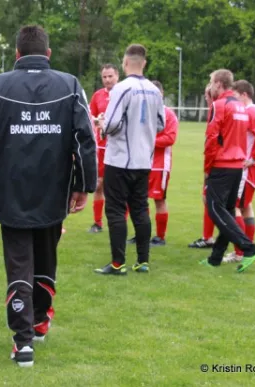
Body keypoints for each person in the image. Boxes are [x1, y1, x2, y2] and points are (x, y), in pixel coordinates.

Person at [0, 25, 97, 368]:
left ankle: (23, 342)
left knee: (20, 265)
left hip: (13, 192)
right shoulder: (70, 85)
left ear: (17, 54)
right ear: (48, 54)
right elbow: (86, 139)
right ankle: (35, 326)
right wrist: (84, 184)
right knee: (46, 260)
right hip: (54, 192)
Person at [94, 44, 164, 276]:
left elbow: (112, 124)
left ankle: (117, 263)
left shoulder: (121, 88)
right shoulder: (155, 91)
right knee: (140, 209)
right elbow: (161, 124)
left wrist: (102, 124)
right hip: (144, 160)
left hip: (120, 160)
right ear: (144, 63)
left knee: (115, 210)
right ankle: (142, 261)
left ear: (125, 63)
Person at [199, 69, 255, 271]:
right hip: (237, 166)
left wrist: (207, 169)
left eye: (211, 82)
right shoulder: (241, 107)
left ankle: (249, 248)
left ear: (218, 84)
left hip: (222, 165)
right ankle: (215, 258)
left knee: (215, 209)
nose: (210, 86)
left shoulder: (219, 106)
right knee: (226, 211)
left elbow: (212, 140)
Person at [223, 80, 255, 263]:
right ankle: (246, 249)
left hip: (247, 169)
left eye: (235, 97)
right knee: (245, 206)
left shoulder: (250, 112)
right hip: (249, 169)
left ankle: (241, 252)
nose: (234, 101)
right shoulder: (249, 112)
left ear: (244, 95)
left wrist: (252, 158)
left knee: (233, 207)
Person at [127, 80, 178, 246]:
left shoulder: (168, 114)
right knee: (139, 201)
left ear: (161, 94)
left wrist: (148, 140)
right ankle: (142, 234)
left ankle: (160, 237)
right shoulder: (142, 112)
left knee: (159, 200)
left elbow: (170, 138)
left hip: (159, 165)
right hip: (140, 163)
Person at [88, 64, 119, 233]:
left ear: (117, 76)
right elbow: (89, 118)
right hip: (101, 147)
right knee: (99, 184)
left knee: (118, 187)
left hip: (119, 147)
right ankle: (97, 223)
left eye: (110, 76)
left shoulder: (123, 93)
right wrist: (96, 120)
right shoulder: (97, 96)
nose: (107, 80)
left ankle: (118, 222)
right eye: (104, 77)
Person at [188, 83, 216, 249]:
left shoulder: (216, 110)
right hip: (217, 163)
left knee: (211, 199)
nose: (205, 98)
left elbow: (213, 141)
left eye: (207, 94)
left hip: (217, 164)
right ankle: (209, 237)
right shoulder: (213, 111)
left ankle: (210, 238)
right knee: (210, 200)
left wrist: (207, 169)